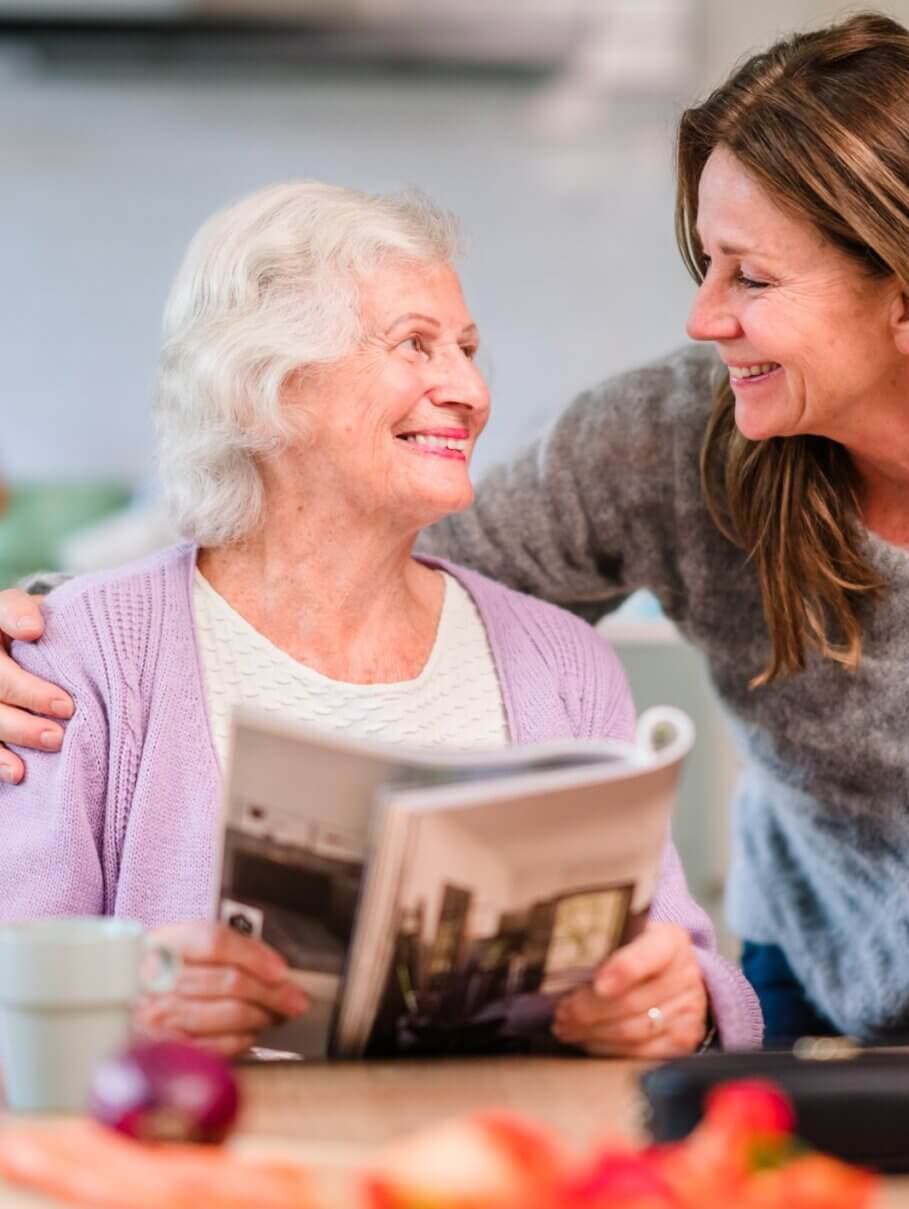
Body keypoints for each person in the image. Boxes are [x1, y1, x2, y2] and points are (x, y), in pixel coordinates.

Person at [0, 182, 759, 1058]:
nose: (470, 389)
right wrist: (121, 1003)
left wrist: (675, 1003)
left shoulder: (563, 660)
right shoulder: (75, 661)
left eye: (469, 349)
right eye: (417, 345)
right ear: (263, 389)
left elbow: (687, 969)